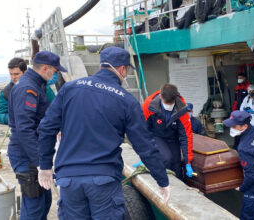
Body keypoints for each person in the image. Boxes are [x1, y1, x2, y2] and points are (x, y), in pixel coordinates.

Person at [37, 47, 170, 219]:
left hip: (69, 179)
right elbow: (144, 145)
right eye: (127, 70)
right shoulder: (126, 100)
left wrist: (45, 165)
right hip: (103, 181)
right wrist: (162, 180)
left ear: (101, 66)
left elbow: (47, 128)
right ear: (122, 69)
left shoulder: (69, 89)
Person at [7, 51, 66, 219]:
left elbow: (42, 117)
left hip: (33, 154)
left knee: (44, 203)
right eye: (54, 71)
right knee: (34, 208)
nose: (54, 75)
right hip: (26, 156)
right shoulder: (28, 88)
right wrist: (41, 164)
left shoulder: (36, 84)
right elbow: (24, 128)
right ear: (46, 68)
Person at [142, 83, 194, 180]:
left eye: (171, 104)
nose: (169, 106)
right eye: (166, 104)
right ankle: (163, 184)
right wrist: (145, 154)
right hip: (156, 136)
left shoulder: (181, 109)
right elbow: (143, 130)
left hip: (172, 137)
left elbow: (186, 136)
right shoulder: (149, 105)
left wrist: (188, 162)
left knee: (176, 166)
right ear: (160, 96)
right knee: (166, 158)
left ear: (176, 98)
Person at [0, 57, 57, 125]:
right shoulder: (6, 92)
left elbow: (54, 107)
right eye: (11, 74)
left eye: (16, 74)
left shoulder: (43, 86)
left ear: (25, 72)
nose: (13, 77)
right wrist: (15, 118)